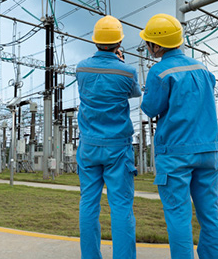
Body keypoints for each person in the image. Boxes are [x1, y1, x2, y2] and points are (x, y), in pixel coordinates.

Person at [138, 13, 218, 259]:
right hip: (208, 152)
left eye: (148, 42)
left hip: (175, 153)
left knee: (178, 215)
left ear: (156, 45)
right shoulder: (203, 69)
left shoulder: (160, 72)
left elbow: (150, 108)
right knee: (210, 213)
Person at [76, 15, 141, 259]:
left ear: (95, 41)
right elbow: (134, 93)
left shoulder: (81, 68)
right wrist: (120, 62)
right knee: (121, 206)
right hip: (118, 148)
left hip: (89, 146)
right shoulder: (128, 72)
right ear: (119, 42)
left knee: (88, 203)